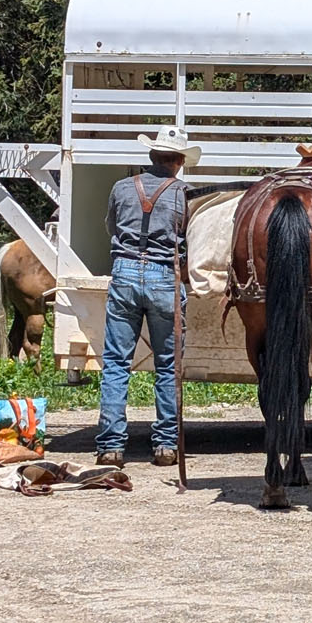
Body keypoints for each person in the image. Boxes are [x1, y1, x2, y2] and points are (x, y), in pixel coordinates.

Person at [96, 127, 198, 468]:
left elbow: (111, 227)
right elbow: (190, 243)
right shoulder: (185, 195)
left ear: (152, 156)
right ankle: (166, 445)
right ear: (180, 162)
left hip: (124, 272)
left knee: (116, 363)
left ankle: (111, 447)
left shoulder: (122, 188)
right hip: (164, 277)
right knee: (168, 366)